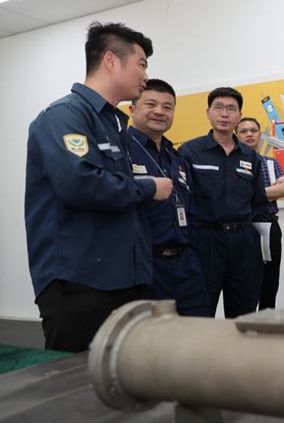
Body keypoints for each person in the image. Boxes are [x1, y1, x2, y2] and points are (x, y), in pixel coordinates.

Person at [24, 22, 173, 353]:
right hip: (80, 282)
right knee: (76, 380)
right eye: (141, 64)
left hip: (123, 280)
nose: (145, 75)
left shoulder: (112, 123)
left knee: (120, 376)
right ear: (110, 61)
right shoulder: (64, 116)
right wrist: (148, 187)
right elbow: (81, 184)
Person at [179, 87, 270, 318]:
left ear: (239, 115)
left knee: (244, 314)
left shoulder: (249, 156)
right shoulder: (189, 151)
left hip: (244, 243)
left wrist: (260, 244)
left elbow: (259, 203)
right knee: (199, 312)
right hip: (204, 242)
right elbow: (181, 200)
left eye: (231, 109)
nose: (224, 114)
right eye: (218, 108)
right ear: (208, 113)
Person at [127, 78, 209, 316]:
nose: (160, 112)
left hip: (185, 265)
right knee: (150, 335)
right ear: (132, 109)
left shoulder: (176, 158)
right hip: (143, 266)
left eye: (167, 107)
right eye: (150, 104)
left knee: (196, 329)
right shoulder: (121, 150)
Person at [236, 117, 284, 309]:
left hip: (270, 226)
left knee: (270, 281)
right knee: (243, 283)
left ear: (259, 134)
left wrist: (252, 194)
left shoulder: (271, 163)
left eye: (253, 130)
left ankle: (267, 320)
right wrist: (269, 192)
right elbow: (236, 196)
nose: (249, 134)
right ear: (236, 135)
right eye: (244, 131)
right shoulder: (232, 163)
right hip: (243, 228)